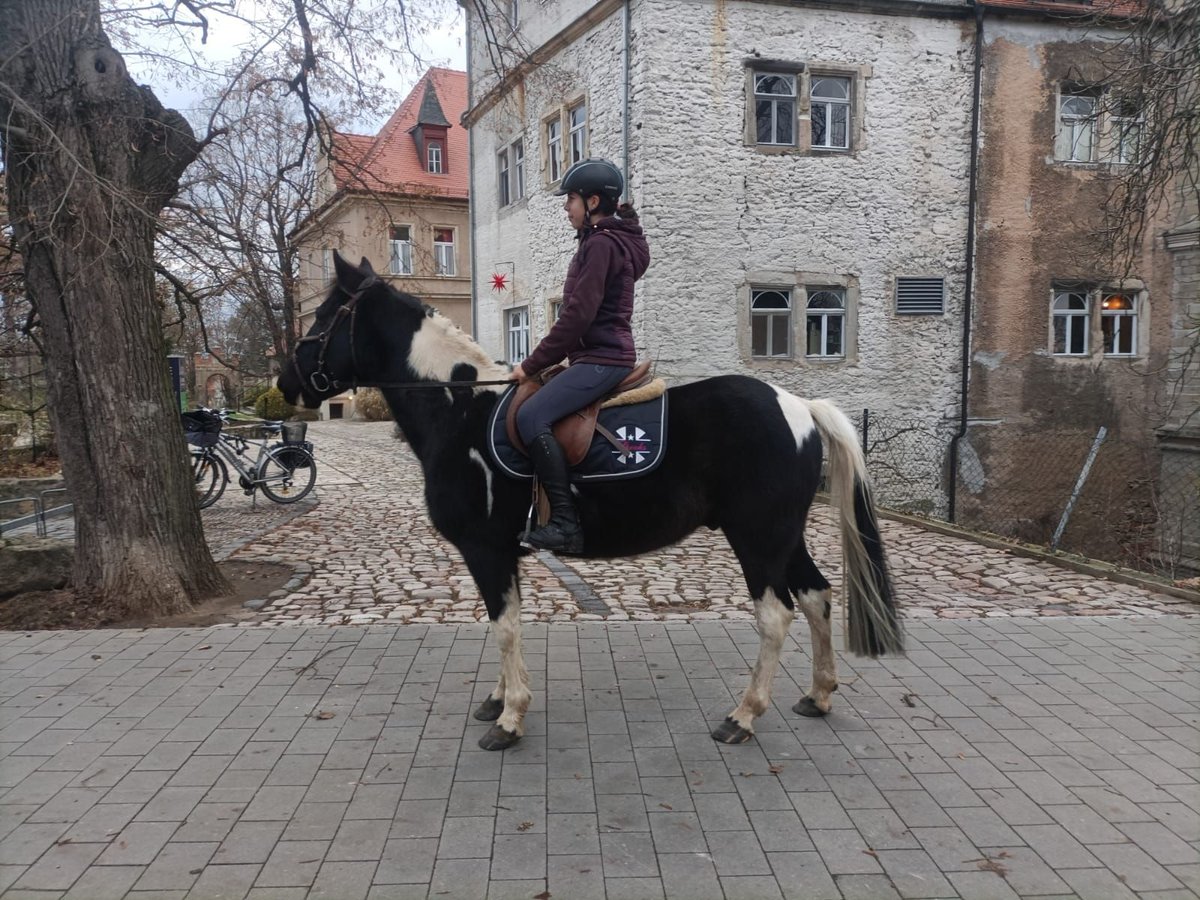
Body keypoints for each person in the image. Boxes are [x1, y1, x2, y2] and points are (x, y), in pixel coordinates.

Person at [509, 157, 651, 554]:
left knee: (531, 415)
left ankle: (565, 524)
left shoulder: (602, 244)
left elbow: (577, 316)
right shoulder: (603, 241)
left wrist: (531, 364)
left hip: (603, 359)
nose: (565, 207)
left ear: (591, 203)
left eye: (569, 199)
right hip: (595, 356)